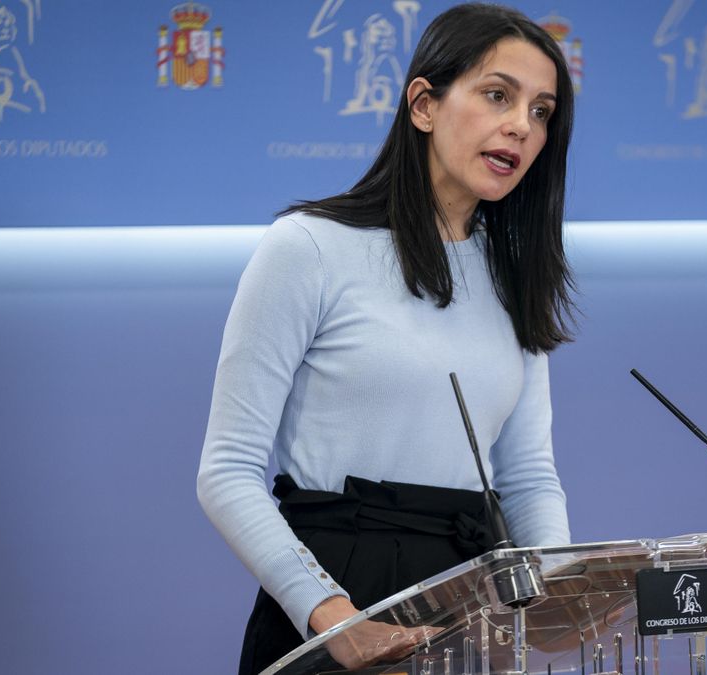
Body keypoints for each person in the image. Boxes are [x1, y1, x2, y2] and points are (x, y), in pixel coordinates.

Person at [197, 4, 577, 674]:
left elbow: (527, 477)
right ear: (424, 105)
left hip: (471, 599)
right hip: (334, 598)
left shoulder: (515, 274)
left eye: (541, 111)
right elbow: (226, 471)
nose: (522, 125)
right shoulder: (308, 247)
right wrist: (335, 621)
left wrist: (553, 594)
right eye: (498, 95)